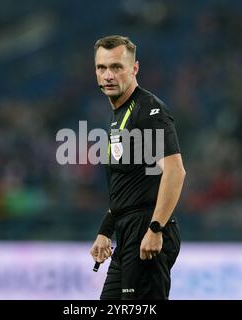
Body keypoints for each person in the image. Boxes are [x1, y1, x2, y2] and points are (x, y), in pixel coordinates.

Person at [90, 35, 186, 300]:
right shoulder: (119, 115)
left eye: (116, 67)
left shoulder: (149, 110)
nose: (108, 75)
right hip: (126, 232)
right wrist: (105, 230)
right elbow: (131, 182)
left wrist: (155, 229)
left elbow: (175, 171)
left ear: (134, 69)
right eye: (102, 68)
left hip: (147, 229)